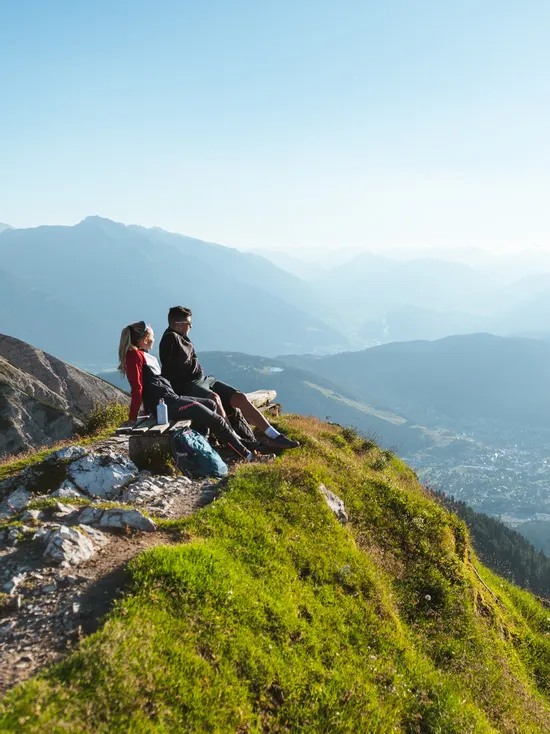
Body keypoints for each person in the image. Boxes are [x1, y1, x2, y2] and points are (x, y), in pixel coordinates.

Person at [118, 320, 268, 462]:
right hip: (166, 405)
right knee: (217, 420)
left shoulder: (143, 355)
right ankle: (248, 456)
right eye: (152, 336)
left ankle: (203, 447)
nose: (154, 339)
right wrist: (133, 417)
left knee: (210, 404)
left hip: (171, 399)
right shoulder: (134, 356)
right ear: (144, 339)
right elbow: (137, 388)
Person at [159, 306, 300, 449]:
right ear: (179, 325)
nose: (191, 327)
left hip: (203, 380)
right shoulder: (170, 339)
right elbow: (171, 370)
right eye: (189, 324)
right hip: (186, 384)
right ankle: (236, 439)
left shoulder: (182, 337)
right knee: (215, 398)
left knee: (239, 397)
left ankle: (274, 435)